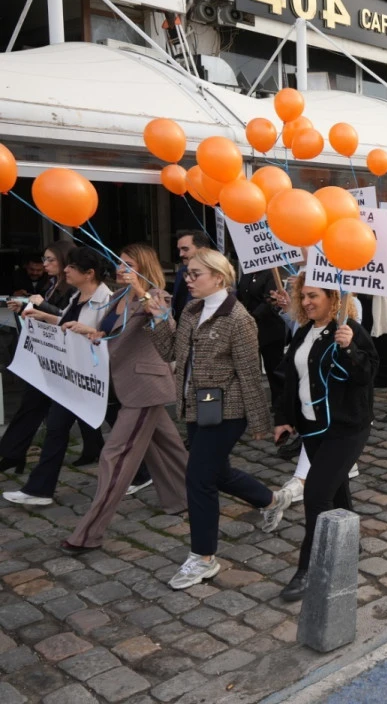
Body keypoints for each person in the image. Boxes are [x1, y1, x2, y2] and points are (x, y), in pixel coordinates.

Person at [145, 248, 289, 590]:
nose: (187, 279)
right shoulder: (193, 310)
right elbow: (170, 353)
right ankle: (271, 500)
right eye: (186, 273)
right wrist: (160, 319)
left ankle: (204, 558)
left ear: (219, 278)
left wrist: (258, 423)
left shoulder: (239, 319)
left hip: (229, 411)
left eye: (196, 274)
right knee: (217, 472)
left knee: (198, 478)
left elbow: (250, 374)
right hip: (197, 407)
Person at [61, 244, 189, 551]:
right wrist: (88, 332)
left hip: (144, 387)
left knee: (114, 456)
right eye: (120, 263)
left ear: (143, 267)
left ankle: (88, 534)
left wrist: (142, 292)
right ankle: (190, 496)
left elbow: (168, 329)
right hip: (125, 384)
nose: (121, 269)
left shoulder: (156, 296)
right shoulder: (117, 296)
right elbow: (108, 335)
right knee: (167, 450)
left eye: (129, 264)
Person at [271, 276, 378, 601]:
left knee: (317, 494)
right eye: (302, 296)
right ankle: (349, 541)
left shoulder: (350, 330)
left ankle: (308, 570)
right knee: (337, 486)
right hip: (313, 428)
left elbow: (367, 375)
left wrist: (349, 349)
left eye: (313, 296)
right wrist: (285, 419)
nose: (305, 302)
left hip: (346, 428)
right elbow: (290, 376)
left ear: (333, 297)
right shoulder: (304, 332)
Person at [3, 247, 114, 506]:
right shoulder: (77, 296)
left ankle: (145, 472)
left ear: (89, 273)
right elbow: (65, 323)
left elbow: (109, 337)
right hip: (72, 376)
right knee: (55, 428)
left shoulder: (107, 299)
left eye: (71, 267)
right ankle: (40, 490)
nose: (65, 270)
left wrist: (90, 332)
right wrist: (42, 316)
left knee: (122, 425)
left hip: (94, 380)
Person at [0, 240, 78, 474]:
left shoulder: (71, 287)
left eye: (50, 259)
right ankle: (13, 454)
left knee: (61, 418)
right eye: (44, 259)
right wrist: (24, 308)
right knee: (32, 404)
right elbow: (43, 314)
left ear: (64, 261)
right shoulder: (52, 284)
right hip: (47, 355)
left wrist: (41, 305)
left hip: (65, 357)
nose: (45, 264)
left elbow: (67, 318)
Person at [236, 269, 288, 405]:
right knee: (250, 366)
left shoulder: (271, 274)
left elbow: (270, 301)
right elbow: (240, 295)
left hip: (270, 329)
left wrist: (251, 317)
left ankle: (280, 403)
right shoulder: (247, 274)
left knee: (273, 368)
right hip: (250, 328)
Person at [359, 290, 387, 423]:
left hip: (385, 331)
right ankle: (366, 408)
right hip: (364, 331)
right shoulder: (358, 283)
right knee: (364, 371)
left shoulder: (384, 280)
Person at [172, 231, 213, 321]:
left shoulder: (216, 274)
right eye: (179, 250)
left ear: (202, 250)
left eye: (185, 249)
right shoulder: (181, 272)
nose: (181, 254)